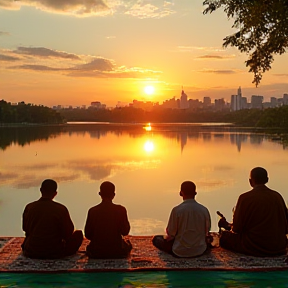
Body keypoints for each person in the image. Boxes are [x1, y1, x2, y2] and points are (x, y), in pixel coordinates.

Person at [219, 167, 288, 256]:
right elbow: (286, 226)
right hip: (278, 246)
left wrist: (226, 226)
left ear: (250, 181)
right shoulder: (277, 196)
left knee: (224, 238)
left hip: (254, 246)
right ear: (267, 180)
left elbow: (237, 229)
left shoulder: (245, 198)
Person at [22, 179, 83, 259]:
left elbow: (25, 228)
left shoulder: (29, 207)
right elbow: (68, 233)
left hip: (32, 251)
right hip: (54, 251)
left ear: (41, 190)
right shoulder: (61, 209)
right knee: (78, 234)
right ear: (55, 193)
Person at [152, 181, 211, 257]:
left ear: (181, 193)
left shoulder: (176, 210)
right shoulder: (204, 210)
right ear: (195, 193)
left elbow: (171, 233)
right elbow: (207, 231)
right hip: (200, 250)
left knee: (156, 239)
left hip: (179, 251)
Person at [84, 181, 132, 258]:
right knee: (127, 244)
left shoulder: (93, 211)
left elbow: (88, 234)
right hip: (117, 251)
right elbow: (125, 231)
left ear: (100, 194)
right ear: (113, 195)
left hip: (96, 251)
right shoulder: (121, 210)